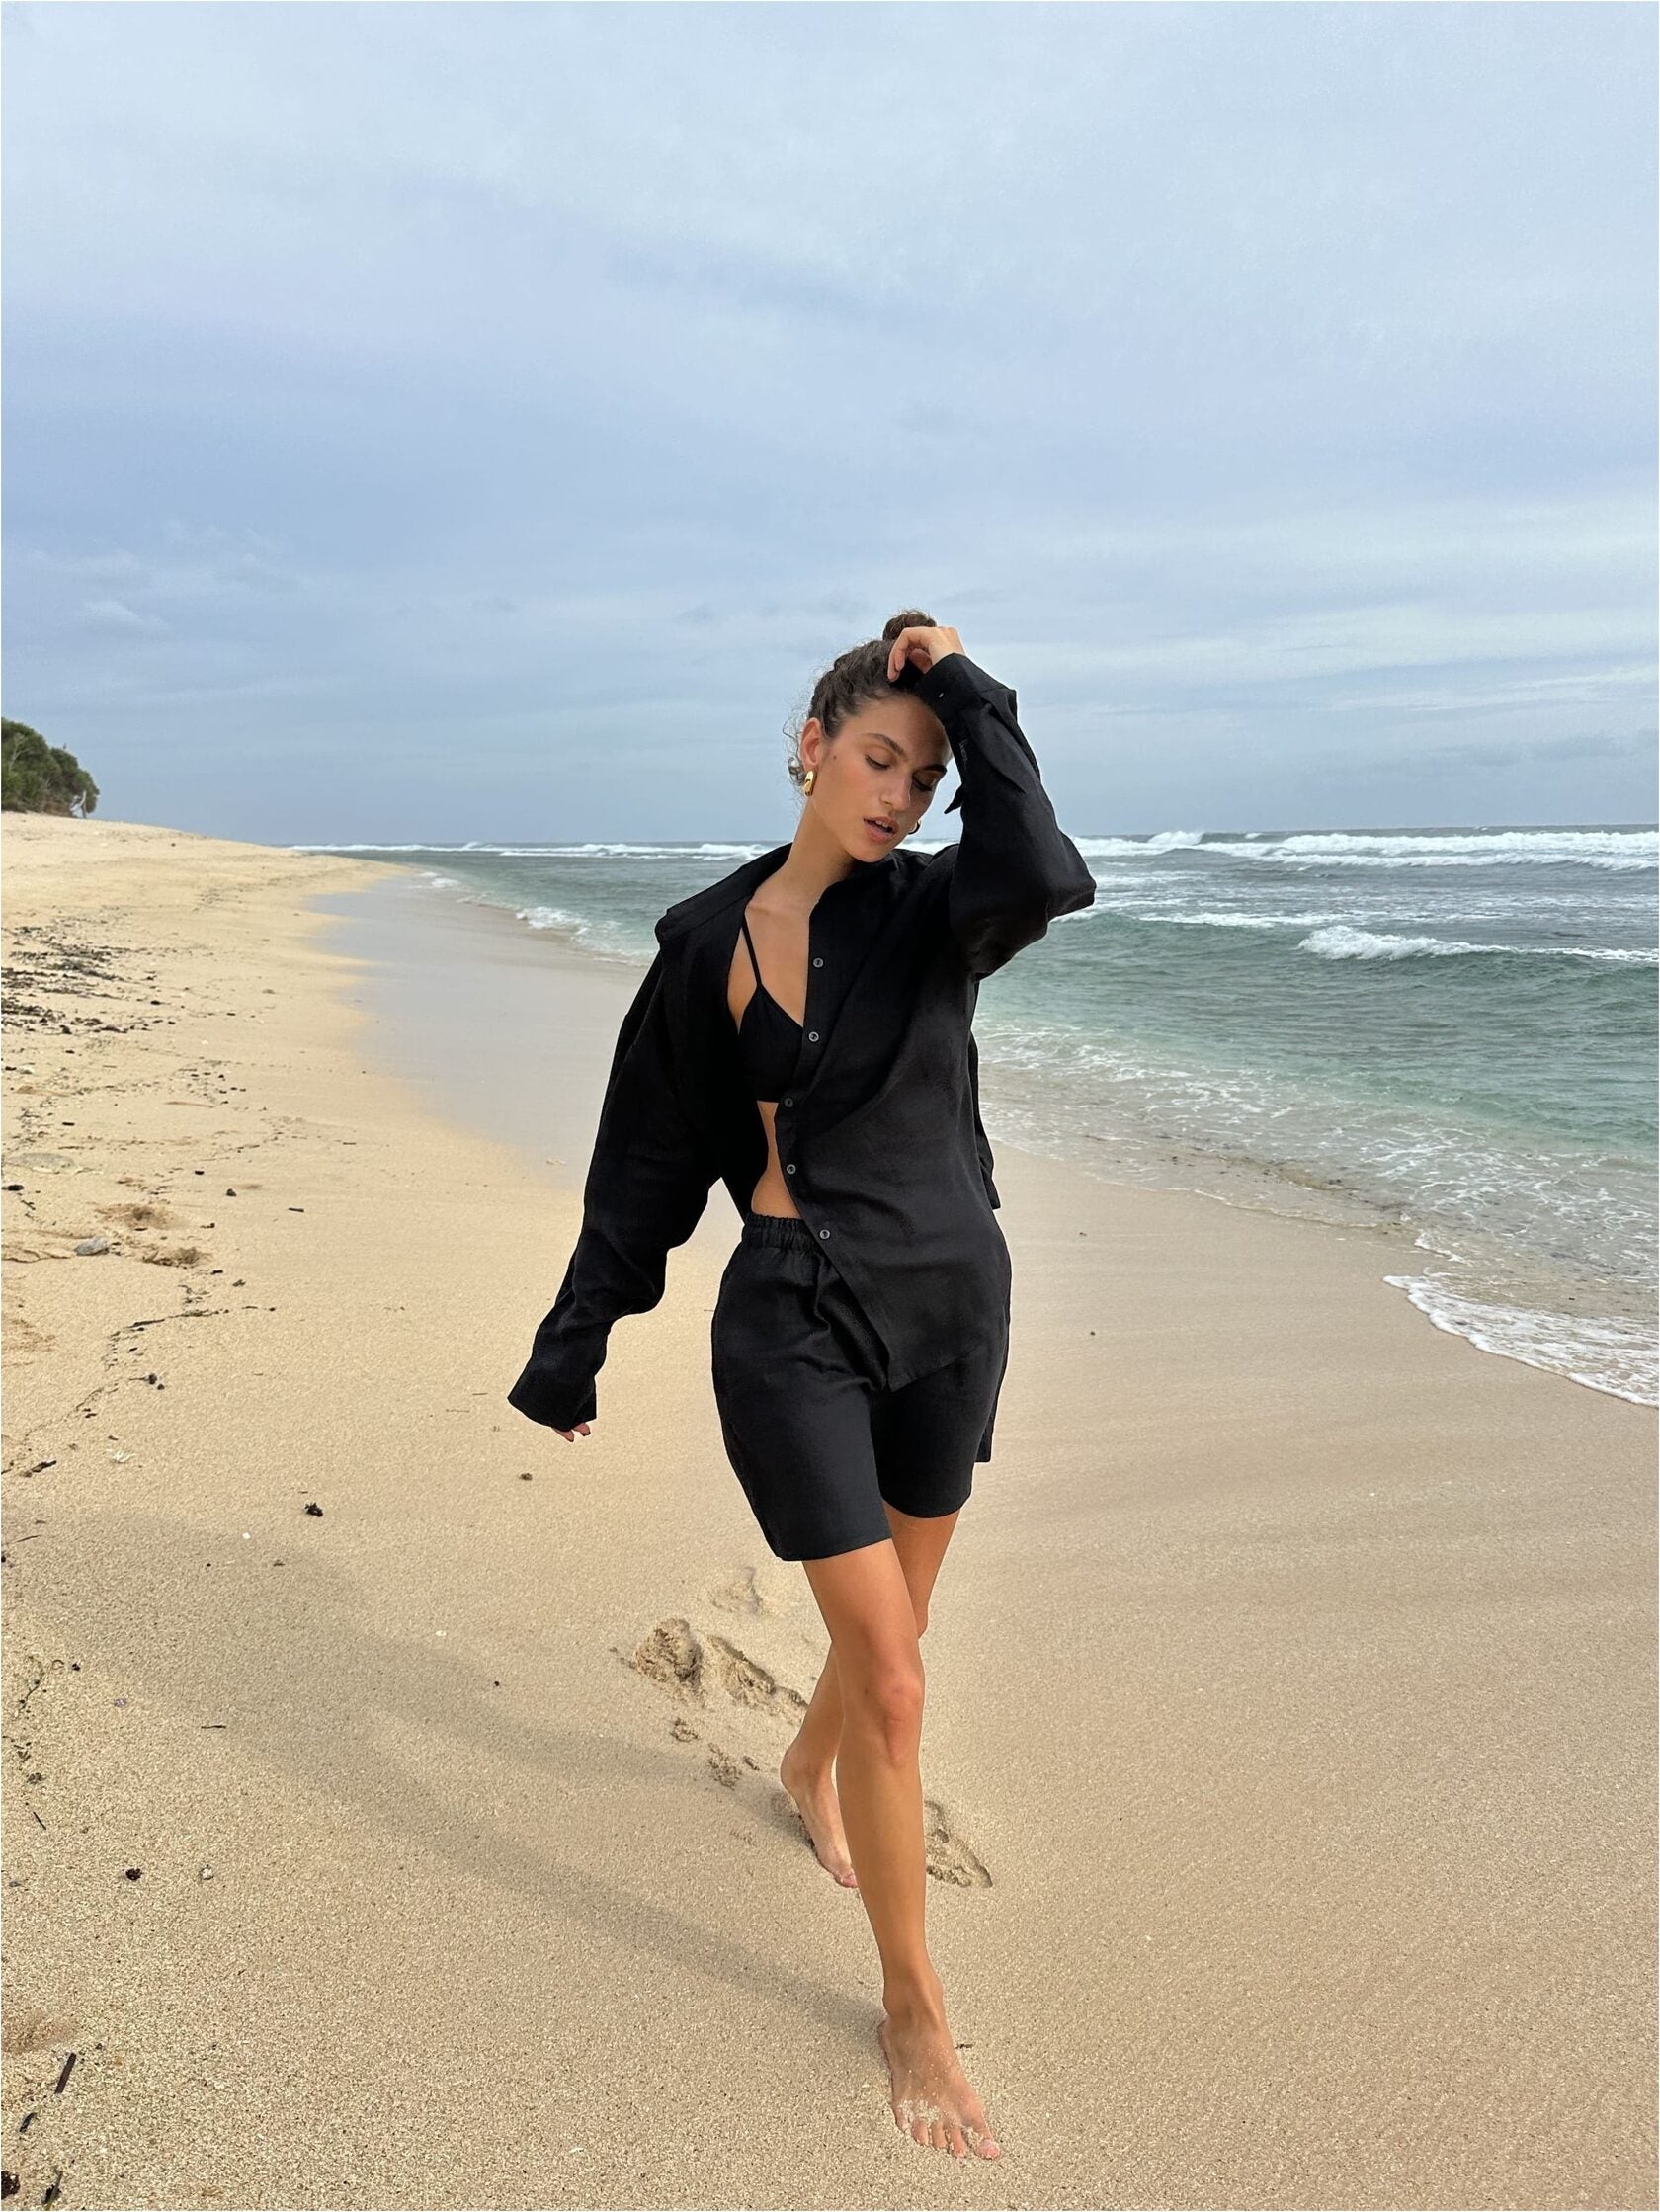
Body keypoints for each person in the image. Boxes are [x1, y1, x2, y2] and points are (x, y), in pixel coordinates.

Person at [509, 612, 1096, 2160]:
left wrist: (963, 684)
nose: (901, 796)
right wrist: (577, 1336)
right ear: (813, 745)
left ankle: (803, 1764)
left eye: (926, 777)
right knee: (894, 1674)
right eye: (880, 758)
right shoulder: (707, 941)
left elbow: (1043, 864)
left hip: (950, 1312)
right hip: (790, 1327)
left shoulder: (944, 912)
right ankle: (913, 2003)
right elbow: (645, 1157)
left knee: (898, 1629)